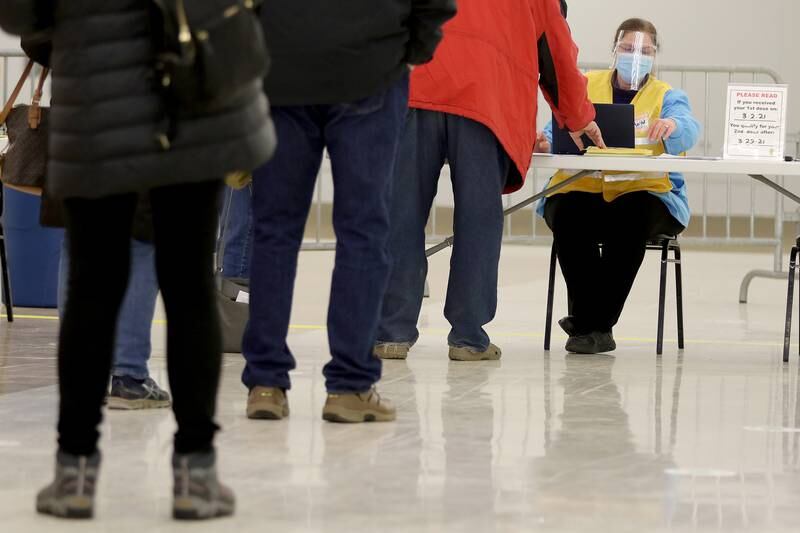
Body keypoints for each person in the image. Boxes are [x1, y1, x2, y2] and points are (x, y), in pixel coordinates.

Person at [0, 0, 275, 521]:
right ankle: (196, 472)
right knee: (190, 287)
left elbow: (21, 14)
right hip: (195, 94)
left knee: (91, 288)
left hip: (96, 98)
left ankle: (74, 469)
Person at [242, 0, 456, 424]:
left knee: (274, 231)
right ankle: (350, 386)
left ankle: (265, 382)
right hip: (369, 67)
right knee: (363, 232)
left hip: (282, 66)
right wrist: (410, 50)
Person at [374, 0, 604, 362]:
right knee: (478, 219)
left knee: (401, 213)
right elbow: (556, 51)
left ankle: (391, 333)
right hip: (486, 98)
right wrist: (578, 117)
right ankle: (467, 337)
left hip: (413, 88)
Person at [535, 18, 701, 354]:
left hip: (645, 193)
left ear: (656, 55)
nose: (635, 56)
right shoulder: (585, 84)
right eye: (627, 48)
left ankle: (586, 322)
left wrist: (671, 125)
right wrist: (544, 143)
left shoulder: (668, 95)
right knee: (568, 215)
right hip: (583, 188)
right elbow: (559, 127)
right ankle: (596, 326)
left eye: (645, 50)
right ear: (614, 49)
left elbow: (689, 128)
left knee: (629, 217)